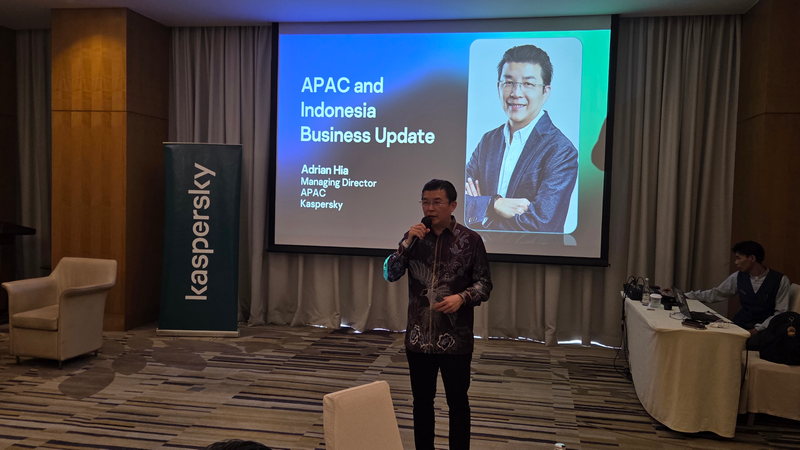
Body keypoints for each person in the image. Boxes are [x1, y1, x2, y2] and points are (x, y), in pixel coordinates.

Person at [384, 179, 492, 450]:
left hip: (455, 339)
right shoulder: (414, 238)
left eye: (436, 202)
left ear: (452, 205)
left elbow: (484, 285)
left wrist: (462, 297)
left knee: (458, 402)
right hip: (418, 339)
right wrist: (406, 242)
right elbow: (390, 273)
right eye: (425, 202)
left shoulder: (470, 240)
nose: (430, 208)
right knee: (421, 402)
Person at [465, 44, 578, 233]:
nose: (516, 93)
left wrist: (482, 214)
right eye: (508, 82)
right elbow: (455, 200)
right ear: (498, 87)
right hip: (480, 250)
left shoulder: (561, 150)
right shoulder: (488, 141)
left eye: (528, 84)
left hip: (534, 253)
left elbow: (542, 224)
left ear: (546, 92)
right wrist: (494, 204)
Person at [685, 240, 791, 335]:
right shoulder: (738, 276)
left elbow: (780, 313)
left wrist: (758, 329)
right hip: (740, 324)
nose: (736, 262)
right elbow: (716, 293)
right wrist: (686, 296)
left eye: (738, 258)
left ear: (752, 258)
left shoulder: (780, 280)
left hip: (765, 330)